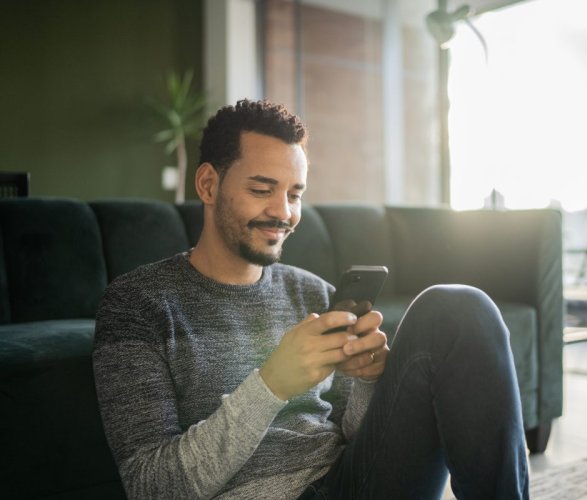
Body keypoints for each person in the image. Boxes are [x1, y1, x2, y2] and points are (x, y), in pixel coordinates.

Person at [93, 99, 529, 499]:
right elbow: (151, 486)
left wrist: (368, 381)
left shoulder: (313, 293)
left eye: (295, 194)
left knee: (457, 308)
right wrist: (272, 384)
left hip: (351, 485)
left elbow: (354, 436)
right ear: (208, 185)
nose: (284, 212)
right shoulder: (137, 305)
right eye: (262, 190)